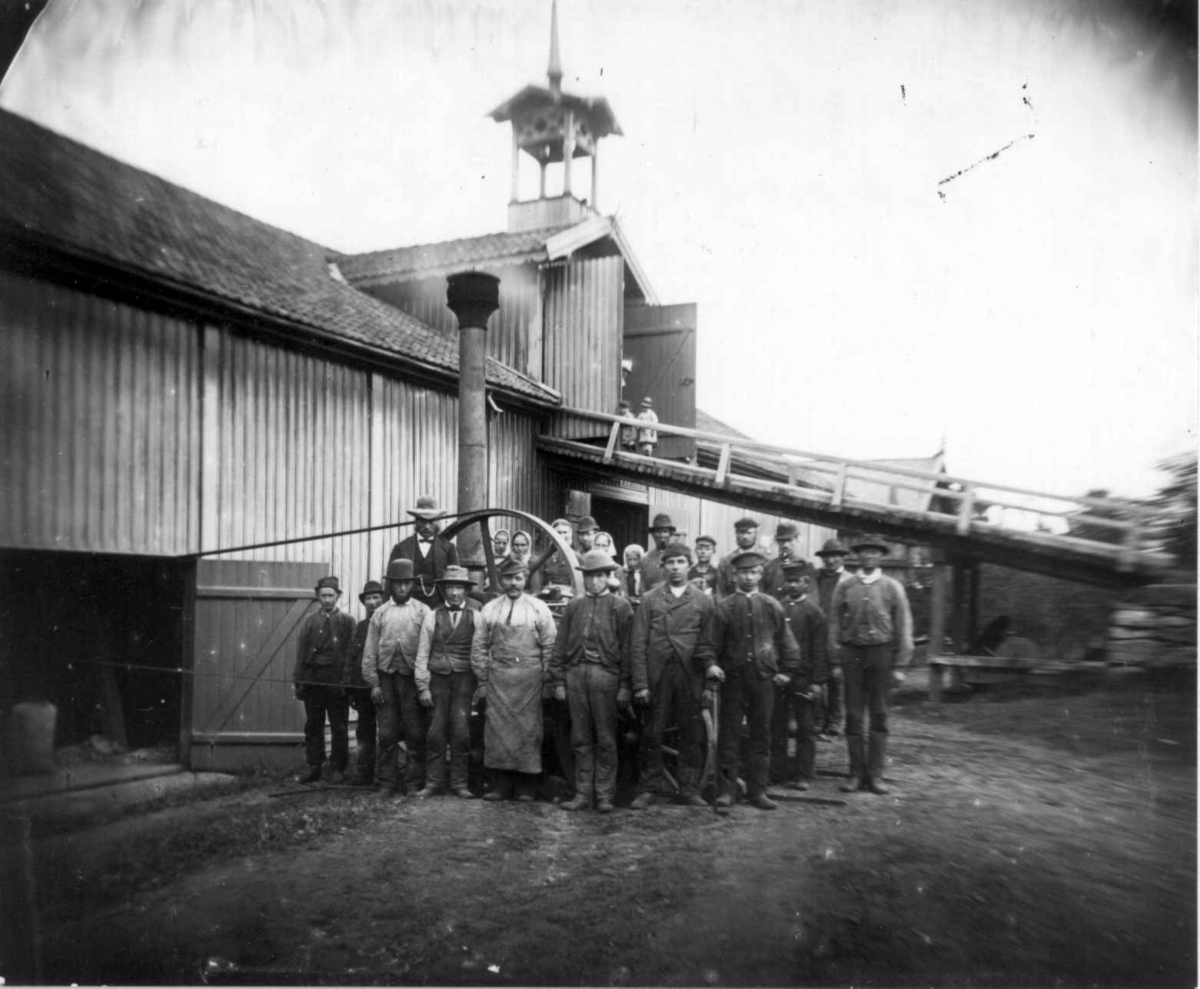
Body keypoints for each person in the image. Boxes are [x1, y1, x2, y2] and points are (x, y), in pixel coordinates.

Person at [711, 550, 801, 812]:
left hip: (763, 679)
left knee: (761, 734)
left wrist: (787, 671)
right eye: (743, 572)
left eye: (753, 572)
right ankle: (726, 791)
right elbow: (710, 644)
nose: (748, 577)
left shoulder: (772, 605)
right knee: (728, 735)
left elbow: (787, 642)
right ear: (734, 575)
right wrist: (711, 665)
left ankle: (758, 791)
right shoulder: (724, 607)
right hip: (733, 680)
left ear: (760, 574)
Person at [629, 542, 716, 810]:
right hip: (658, 675)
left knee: (691, 734)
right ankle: (648, 787)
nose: (675, 568)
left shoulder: (703, 600)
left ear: (689, 565)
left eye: (680, 562)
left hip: (690, 675)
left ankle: (689, 788)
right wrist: (641, 683)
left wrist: (706, 680)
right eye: (670, 563)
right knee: (652, 732)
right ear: (663, 566)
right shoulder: (650, 598)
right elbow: (638, 643)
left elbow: (708, 643)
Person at [549, 550, 634, 813]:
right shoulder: (574, 606)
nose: (595, 582)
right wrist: (560, 682)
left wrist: (624, 686)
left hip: (606, 677)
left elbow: (628, 649)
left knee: (606, 738)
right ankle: (583, 793)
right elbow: (560, 646)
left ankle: (605, 795)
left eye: (600, 576)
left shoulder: (621, 607)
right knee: (580, 738)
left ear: (608, 577)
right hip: (576, 676)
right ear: (583, 578)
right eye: (590, 577)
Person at [828, 536, 914, 796]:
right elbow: (833, 624)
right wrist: (835, 661)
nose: (868, 556)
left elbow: (904, 626)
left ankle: (875, 775)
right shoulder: (845, 586)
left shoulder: (892, 587)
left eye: (874, 552)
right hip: (851, 653)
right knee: (853, 715)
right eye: (864, 551)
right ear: (856, 555)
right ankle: (855, 773)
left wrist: (900, 665)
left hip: (882, 653)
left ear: (881, 556)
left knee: (879, 714)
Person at [471, 556, 557, 801]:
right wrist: (483, 681)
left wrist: (547, 681)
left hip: (530, 680)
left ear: (525, 579)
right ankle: (500, 786)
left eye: (518, 578)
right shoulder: (490, 609)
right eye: (508, 578)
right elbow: (478, 647)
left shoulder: (539, 608)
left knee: (529, 733)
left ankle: (526, 788)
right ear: (501, 579)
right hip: (499, 679)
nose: (513, 584)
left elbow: (550, 646)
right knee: (497, 733)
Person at [362, 559, 432, 797]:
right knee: (387, 733)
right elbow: (370, 651)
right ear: (390, 586)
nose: (402, 589)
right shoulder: (380, 614)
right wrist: (373, 684)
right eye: (397, 584)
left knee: (414, 733)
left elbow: (426, 650)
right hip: (386, 681)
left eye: (406, 584)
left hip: (412, 681)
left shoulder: (423, 611)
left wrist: (422, 684)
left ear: (412, 585)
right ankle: (387, 783)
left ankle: (413, 783)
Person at [414, 566, 482, 799]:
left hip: (465, 680)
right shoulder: (432, 616)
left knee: (461, 732)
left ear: (465, 590)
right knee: (435, 732)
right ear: (443, 590)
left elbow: (481, 652)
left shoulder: (477, 617)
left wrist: (481, 684)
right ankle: (434, 782)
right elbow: (422, 653)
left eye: (459, 587)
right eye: (450, 587)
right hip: (438, 680)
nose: (454, 593)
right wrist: (423, 686)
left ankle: (459, 783)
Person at [770, 560, 828, 790]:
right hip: (780, 676)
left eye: (798, 581)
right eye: (789, 581)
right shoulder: (777, 608)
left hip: (804, 677)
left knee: (805, 727)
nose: (792, 585)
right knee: (777, 725)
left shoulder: (815, 613)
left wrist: (817, 681)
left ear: (807, 583)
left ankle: (804, 774)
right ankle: (778, 771)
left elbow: (819, 650)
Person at [292, 576, 356, 784]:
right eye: (323, 596)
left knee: (339, 725)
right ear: (317, 597)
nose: (327, 600)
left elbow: (352, 654)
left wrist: (347, 682)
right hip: (314, 679)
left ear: (338, 596)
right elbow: (301, 652)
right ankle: (314, 766)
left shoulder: (347, 621)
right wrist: (299, 680)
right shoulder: (310, 621)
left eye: (331, 595)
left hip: (337, 680)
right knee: (313, 724)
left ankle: (338, 767)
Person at [388, 495, 458, 608]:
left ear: (437, 522)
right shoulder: (401, 548)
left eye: (431, 521)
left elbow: (456, 580)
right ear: (416, 521)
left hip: (439, 603)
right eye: (422, 521)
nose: (426, 526)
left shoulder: (448, 548)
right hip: (408, 604)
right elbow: (390, 583)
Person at [348, 579, 385, 787]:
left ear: (383, 599)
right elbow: (353, 658)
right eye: (368, 599)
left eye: (375, 598)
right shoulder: (361, 627)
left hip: (385, 688)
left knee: (389, 732)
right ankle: (364, 775)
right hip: (363, 689)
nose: (372, 602)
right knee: (364, 731)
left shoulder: (390, 622)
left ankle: (387, 776)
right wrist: (352, 690)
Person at [814, 538, 851, 738]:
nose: (831, 560)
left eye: (835, 556)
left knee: (837, 679)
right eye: (828, 556)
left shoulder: (849, 580)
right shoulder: (817, 577)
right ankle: (818, 719)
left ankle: (836, 721)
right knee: (817, 677)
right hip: (817, 634)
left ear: (842, 558)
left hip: (838, 635)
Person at [715, 517, 761, 599]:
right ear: (736, 534)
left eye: (749, 533)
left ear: (756, 534)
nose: (745, 537)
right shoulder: (726, 561)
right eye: (742, 533)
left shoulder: (764, 560)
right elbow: (720, 591)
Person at [761, 521, 801, 600]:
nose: (785, 545)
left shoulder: (804, 566)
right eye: (782, 541)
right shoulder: (768, 567)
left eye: (789, 540)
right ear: (777, 541)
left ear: (796, 540)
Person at [640, 512, 676, 590]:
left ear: (670, 534)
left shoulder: (677, 556)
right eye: (658, 532)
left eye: (665, 531)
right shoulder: (645, 558)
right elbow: (642, 584)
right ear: (653, 534)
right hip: (650, 600)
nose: (662, 535)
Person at [540, 517, 576, 593]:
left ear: (570, 534)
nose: (562, 536)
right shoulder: (545, 558)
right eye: (558, 532)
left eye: (565, 532)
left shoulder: (577, 557)